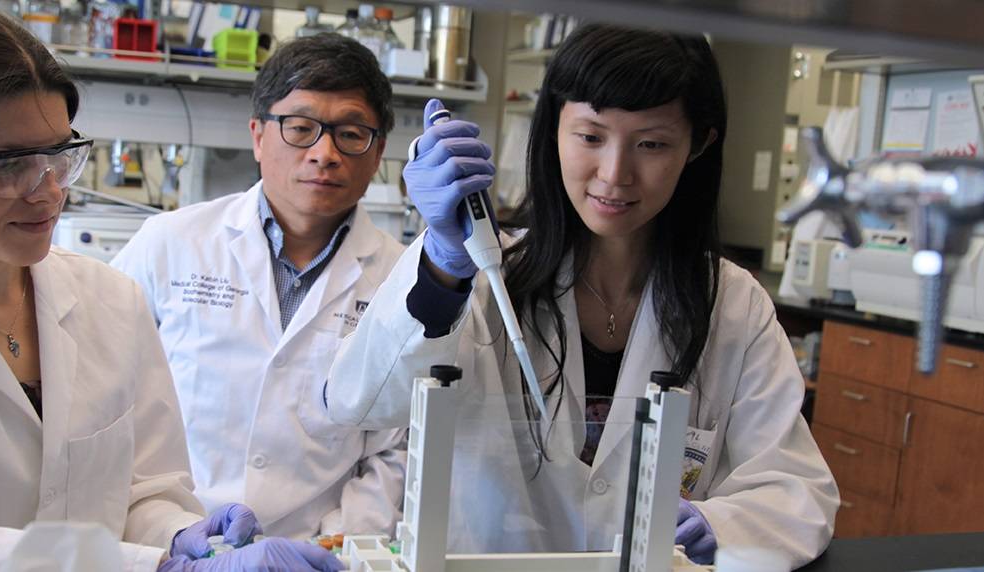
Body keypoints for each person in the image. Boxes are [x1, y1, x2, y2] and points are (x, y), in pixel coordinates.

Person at [0, 6, 340, 571]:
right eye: (9, 164)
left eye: (59, 155)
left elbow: (145, 491)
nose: (47, 190)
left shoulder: (110, 301)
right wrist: (157, 567)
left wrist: (181, 535)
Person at [324, 24, 839, 568]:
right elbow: (359, 401)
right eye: (591, 137)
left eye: (652, 144)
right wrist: (441, 272)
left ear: (698, 145)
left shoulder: (732, 305)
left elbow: (796, 488)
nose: (615, 174)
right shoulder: (482, 272)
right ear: (553, 131)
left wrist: (719, 524)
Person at [109, 33, 407, 540]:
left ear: (377, 152)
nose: (324, 153)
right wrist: (165, 533)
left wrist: (335, 544)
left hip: (317, 553)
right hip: (172, 542)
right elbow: (101, 387)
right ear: (258, 135)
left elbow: (397, 444)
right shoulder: (171, 243)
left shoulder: (401, 280)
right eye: (301, 128)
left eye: (351, 133)